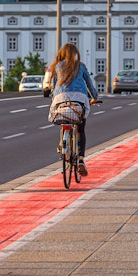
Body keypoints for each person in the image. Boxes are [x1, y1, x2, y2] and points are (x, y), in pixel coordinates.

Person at [47, 43, 100, 176]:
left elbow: (53, 86)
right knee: (80, 128)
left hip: (60, 98)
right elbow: (89, 84)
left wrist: (54, 98)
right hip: (79, 99)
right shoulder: (81, 66)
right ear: (75, 54)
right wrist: (95, 97)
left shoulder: (57, 66)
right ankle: (81, 159)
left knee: (64, 117)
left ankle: (62, 145)